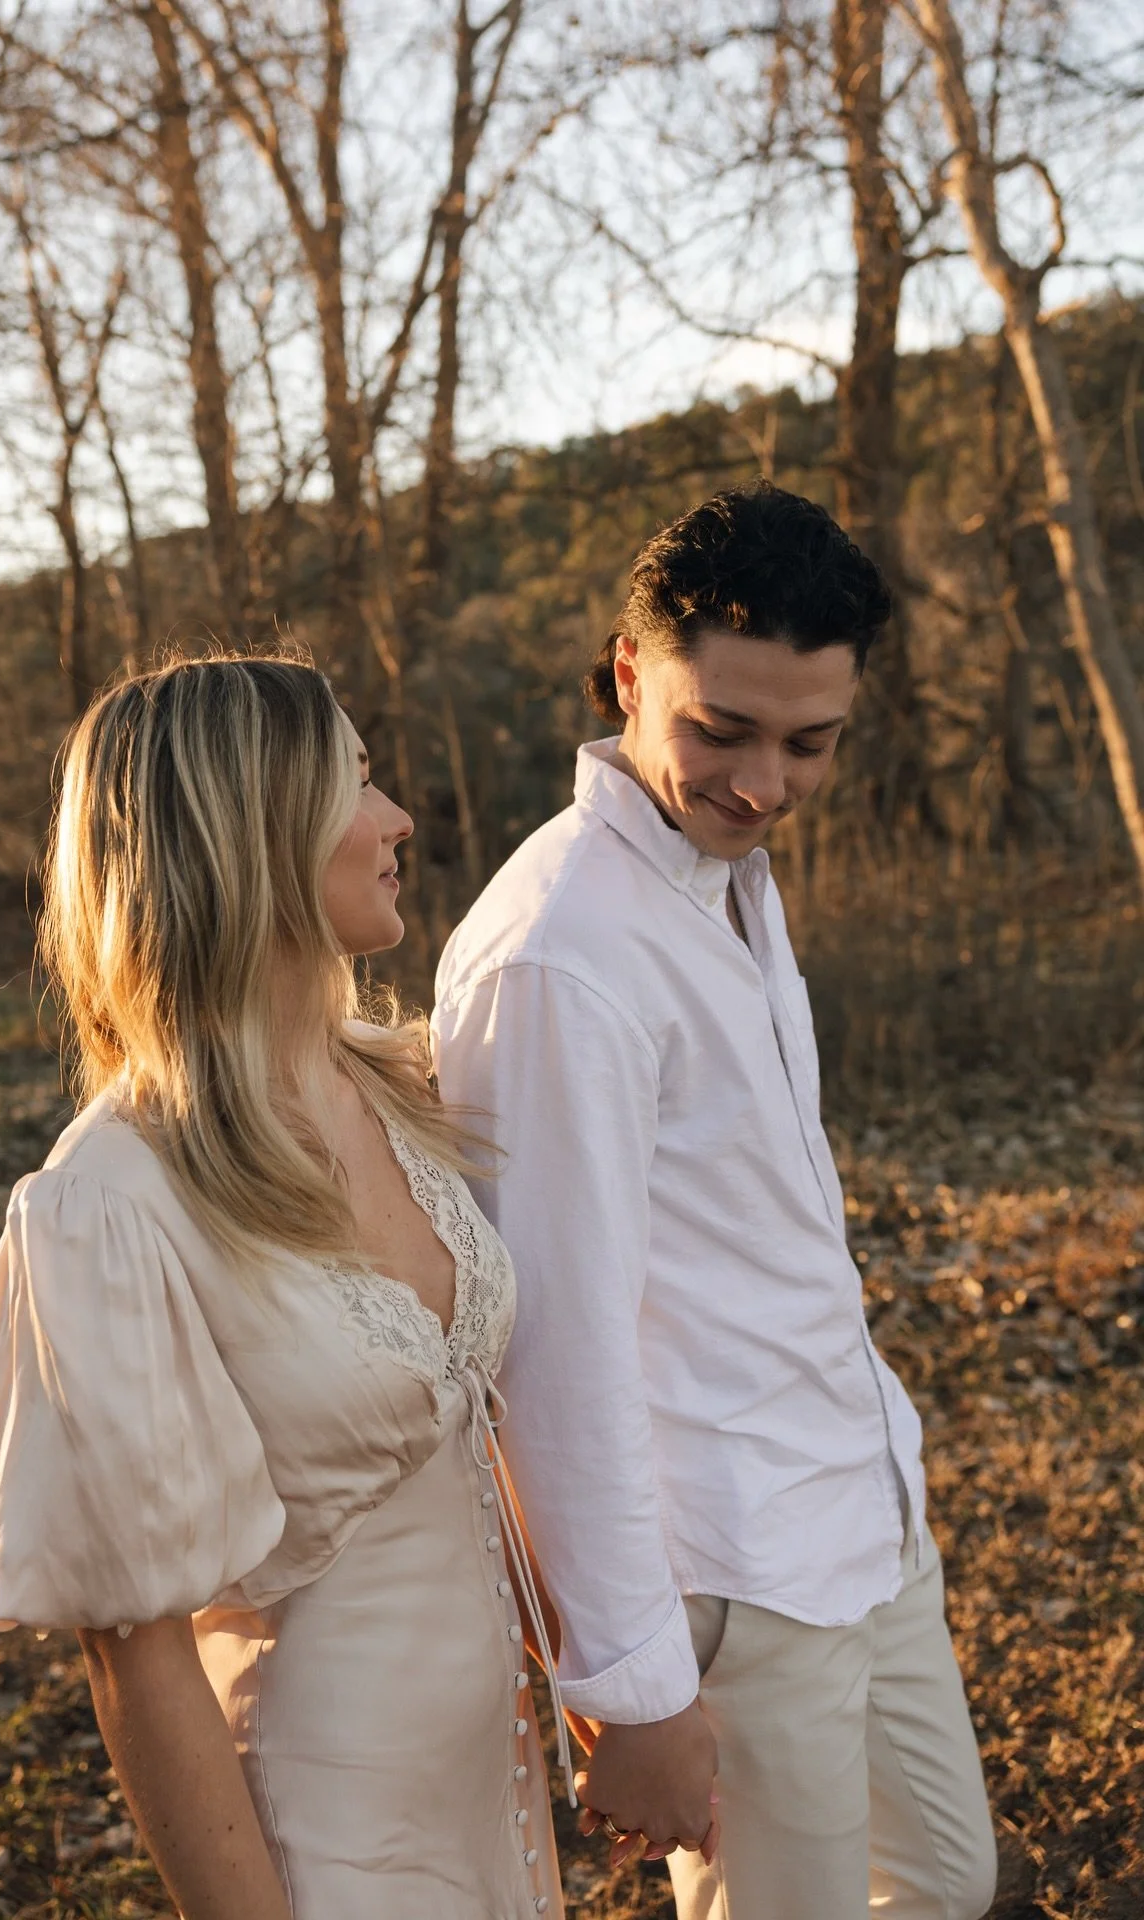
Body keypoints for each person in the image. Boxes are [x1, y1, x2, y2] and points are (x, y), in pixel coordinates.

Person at [432, 483, 998, 1920]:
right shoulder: (561, 957)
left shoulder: (725, 875)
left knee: (942, 1878)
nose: (764, 784)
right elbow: (547, 1353)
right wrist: (630, 1683)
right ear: (631, 672)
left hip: (860, 1510)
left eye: (810, 744)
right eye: (720, 731)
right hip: (733, 1566)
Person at [0, 654, 569, 1920]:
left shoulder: (399, 1087)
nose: (400, 817)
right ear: (246, 834)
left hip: (499, 1799)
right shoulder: (112, 1203)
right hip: (325, 1831)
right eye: (355, 780)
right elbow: (134, 1655)